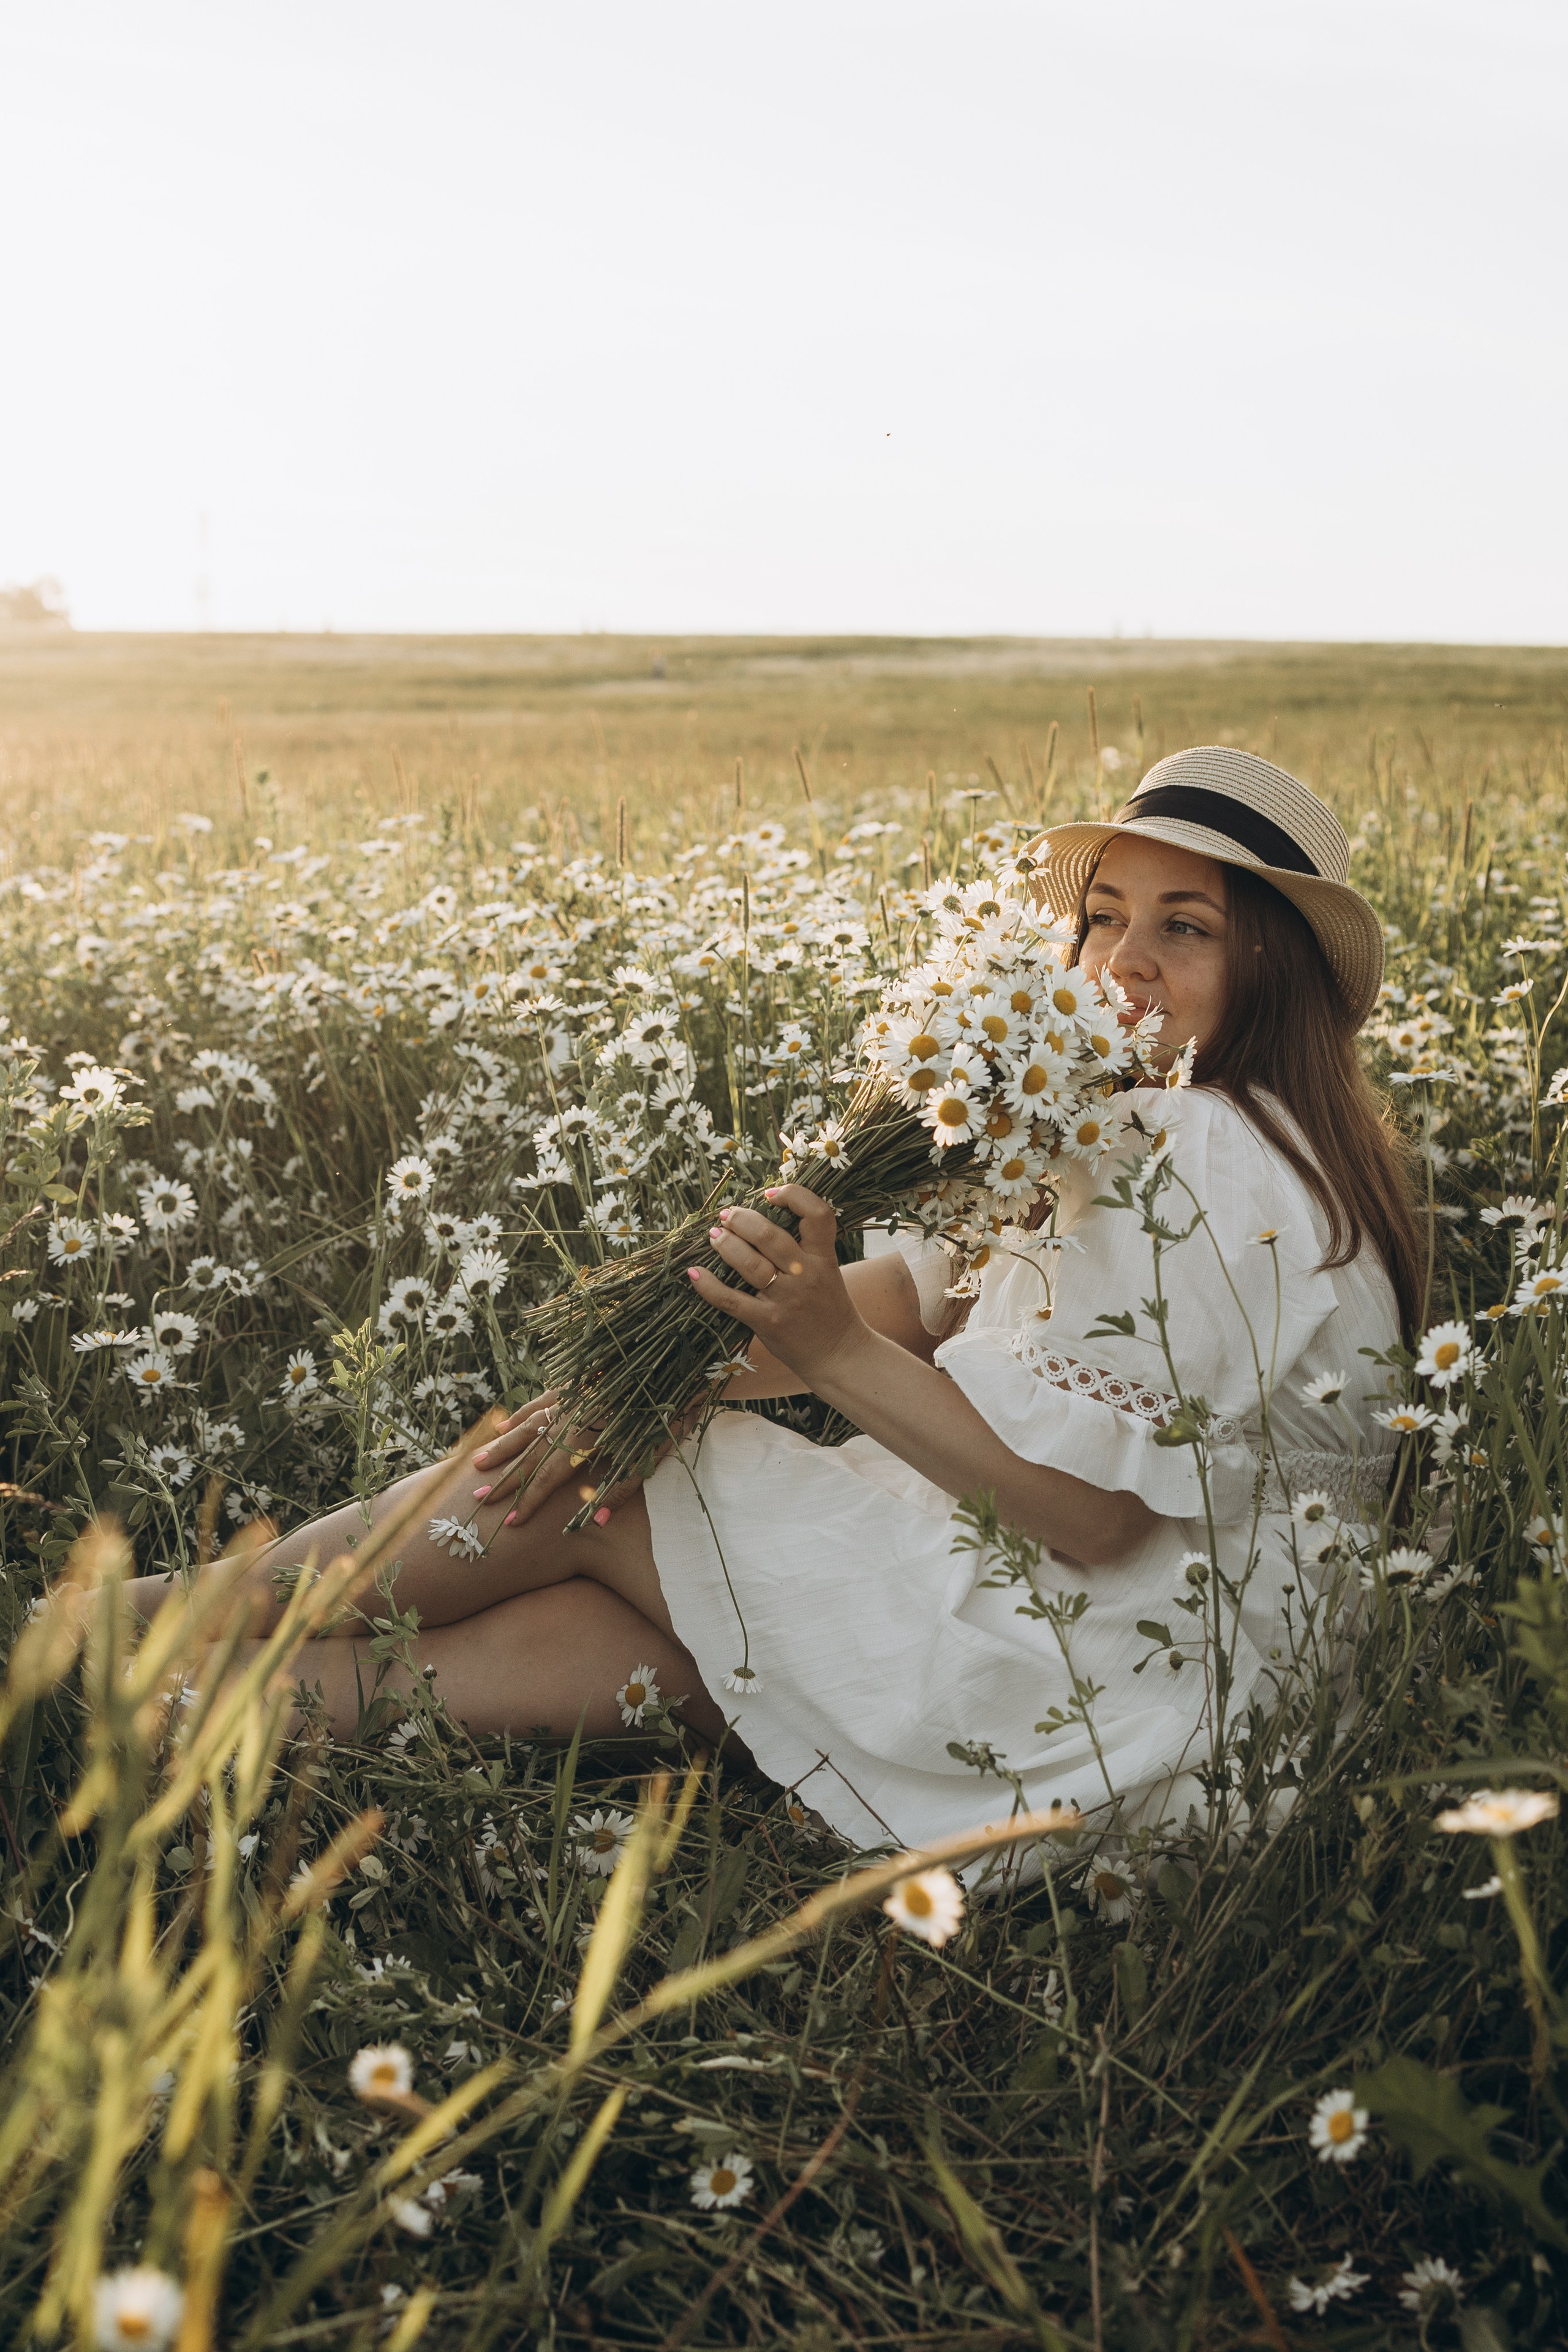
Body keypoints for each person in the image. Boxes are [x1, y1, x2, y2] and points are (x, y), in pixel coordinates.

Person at [126, 747, 1423, 1857]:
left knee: (608, 1480)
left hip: (1114, 1673)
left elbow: (1092, 1518)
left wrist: (810, 1357)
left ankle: (115, 1631)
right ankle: (154, 1701)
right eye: (1101, 917)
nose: (1121, 962)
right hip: (1207, 1704)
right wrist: (655, 1367)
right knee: (615, 1619)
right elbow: (917, 1300)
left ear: (1275, 972)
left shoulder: (1205, 1150)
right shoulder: (1182, 1136)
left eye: (1184, 928)